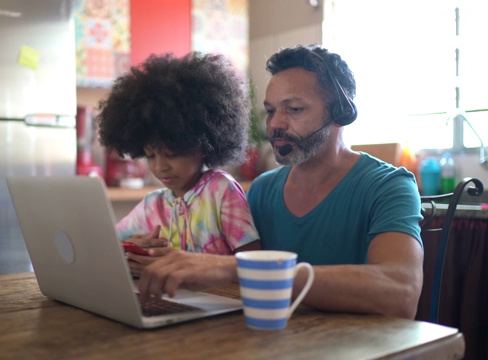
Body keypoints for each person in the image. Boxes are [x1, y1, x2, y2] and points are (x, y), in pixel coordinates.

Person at [130, 45, 424, 320]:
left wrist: (241, 269)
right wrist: (149, 254)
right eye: (271, 111)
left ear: (340, 113)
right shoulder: (262, 189)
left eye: (294, 109)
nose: (274, 125)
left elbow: (402, 293)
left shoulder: (390, 186)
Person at [96, 52, 261, 256]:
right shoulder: (152, 205)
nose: (160, 166)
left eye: (172, 154)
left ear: (201, 146)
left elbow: (252, 260)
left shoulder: (220, 191)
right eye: (150, 155)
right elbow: (106, 244)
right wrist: (130, 245)